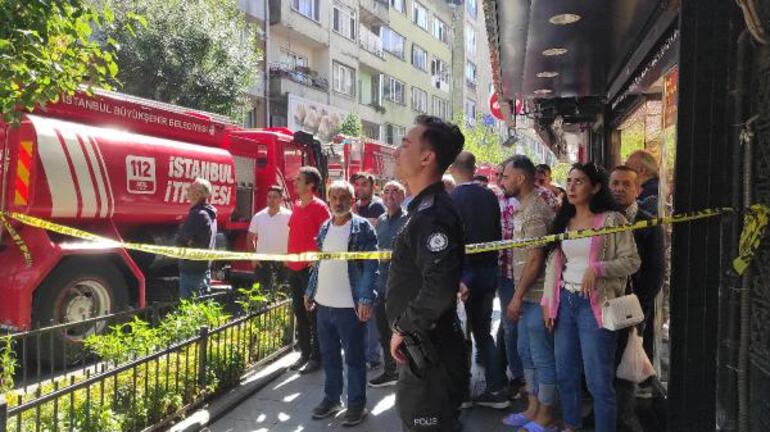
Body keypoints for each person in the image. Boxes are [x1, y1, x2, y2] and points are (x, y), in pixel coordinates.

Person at [541, 163, 641, 432]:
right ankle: (571, 426)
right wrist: (549, 304)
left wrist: (598, 269)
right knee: (566, 374)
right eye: (569, 180)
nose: (571, 187)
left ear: (595, 187)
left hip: (596, 307)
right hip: (565, 304)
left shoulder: (612, 220)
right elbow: (554, 267)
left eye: (579, 181)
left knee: (598, 381)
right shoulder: (563, 221)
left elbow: (632, 261)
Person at [387, 115, 469, 431]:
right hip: (425, 350)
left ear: (427, 157)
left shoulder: (432, 213)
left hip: (430, 354)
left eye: (405, 143)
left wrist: (403, 327)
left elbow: (439, 287)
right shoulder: (423, 209)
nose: (397, 151)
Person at [304, 180, 377, 427]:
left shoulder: (363, 228)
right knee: (330, 356)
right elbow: (319, 262)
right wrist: (310, 290)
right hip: (324, 305)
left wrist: (366, 298)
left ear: (352, 200)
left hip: (350, 307)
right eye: (334, 197)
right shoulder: (325, 227)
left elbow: (370, 265)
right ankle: (331, 399)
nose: (338, 202)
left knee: (354, 359)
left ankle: (356, 405)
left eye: (343, 197)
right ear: (328, 200)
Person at [499, 155, 558, 432]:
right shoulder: (524, 206)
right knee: (526, 353)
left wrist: (517, 296)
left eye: (505, 176)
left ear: (521, 178)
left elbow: (536, 259)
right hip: (526, 297)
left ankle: (546, 416)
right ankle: (533, 409)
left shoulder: (535, 209)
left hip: (535, 297)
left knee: (541, 357)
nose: (502, 181)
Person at [449, 150, 508, 409]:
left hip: (464, 275)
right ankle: (496, 388)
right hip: (488, 273)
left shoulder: (452, 199)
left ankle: (463, 393)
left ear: (453, 168)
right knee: (483, 333)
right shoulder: (490, 196)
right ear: (473, 168)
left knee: (462, 336)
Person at [609, 166, 665, 404]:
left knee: (628, 357)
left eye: (626, 184)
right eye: (615, 183)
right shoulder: (601, 219)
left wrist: (641, 304)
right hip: (603, 300)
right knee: (605, 357)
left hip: (632, 303)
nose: (619, 189)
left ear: (637, 189)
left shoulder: (648, 224)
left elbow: (656, 269)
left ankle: (626, 412)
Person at [286, 166, 331, 374]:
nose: (295, 182)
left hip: (309, 269)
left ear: (310, 185)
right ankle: (304, 353)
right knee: (299, 313)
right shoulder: (296, 206)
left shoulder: (320, 208)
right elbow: (293, 233)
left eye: (299, 180)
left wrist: (317, 261)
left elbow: (327, 236)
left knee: (312, 314)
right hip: (293, 268)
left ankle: (317, 356)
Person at [368, 180, 409, 388]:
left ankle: (409, 373)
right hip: (381, 285)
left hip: (401, 287)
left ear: (403, 196)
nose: (390, 195)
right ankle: (390, 370)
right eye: (386, 191)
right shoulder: (381, 221)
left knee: (403, 332)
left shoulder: (409, 220)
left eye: (395, 191)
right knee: (384, 331)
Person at [492, 164, 524, 400]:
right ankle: (517, 376)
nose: (501, 180)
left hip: (534, 276)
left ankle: (533, 380)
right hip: (505, 274)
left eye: (505, 176)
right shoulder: (496, 199)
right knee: (511, 326)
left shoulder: (543, 198)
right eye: (500, 176)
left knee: (532, 327)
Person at [351, 172, 386, 369]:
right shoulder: (356, 207)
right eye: (358, 184)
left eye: (364, 184)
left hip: (371, 266)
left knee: (370, 310)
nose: (360, 188)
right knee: (360, 311)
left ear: (373, 186)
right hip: (356, 265)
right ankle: (364, 351)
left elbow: (367, 231)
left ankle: (372, 356)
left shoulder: (377, 206)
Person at [176, 178, 217, 299]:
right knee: (201, 306)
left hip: (191, 270)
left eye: (191, 188)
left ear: (198, 194)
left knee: (190, 307)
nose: (187, 190)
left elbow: (180, 240)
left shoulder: (198, 214)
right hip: (202, 269)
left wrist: (185, 240)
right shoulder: (209, 213)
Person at [247, 185, 291, 292]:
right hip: (263, 262)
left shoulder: (289, 216)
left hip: (283, 262)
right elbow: (250, 238)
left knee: (282, 296)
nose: (271, 200)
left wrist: (289, 257)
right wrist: (253, 257)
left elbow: (296, 238)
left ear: (281, 199)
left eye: (275, 197)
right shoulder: (259, 216)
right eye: (269, 197)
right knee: (262, 295)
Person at [625, 150, 659, 215]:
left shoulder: (651, 191)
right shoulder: (653, 187)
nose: (623, 170)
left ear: (641, 170)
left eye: (627, 166)